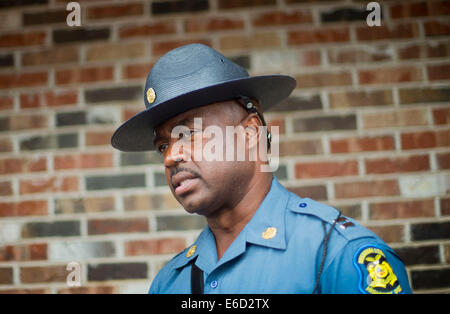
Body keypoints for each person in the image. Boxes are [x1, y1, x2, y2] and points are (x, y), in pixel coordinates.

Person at [111, 43, 412, 294]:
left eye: (187, 133)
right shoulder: (169, 284)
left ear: (251, 133)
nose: (170, 157)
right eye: (163, 146)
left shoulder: (337, 256)